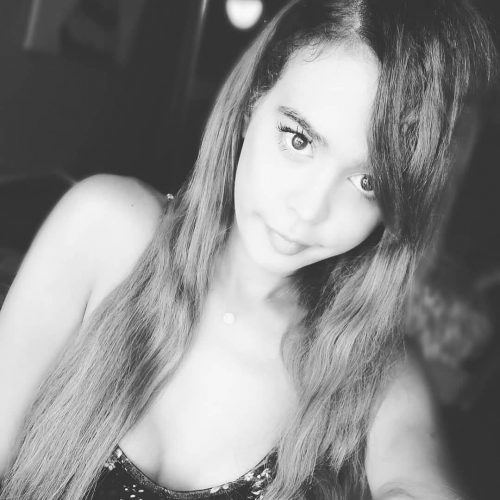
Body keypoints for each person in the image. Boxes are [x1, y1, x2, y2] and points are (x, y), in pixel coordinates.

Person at [0, 0, 496, 499]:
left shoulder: (371, 373)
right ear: (251, 105)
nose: (309, 209)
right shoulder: (106, 228)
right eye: (298, 140)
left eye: (368, 181)